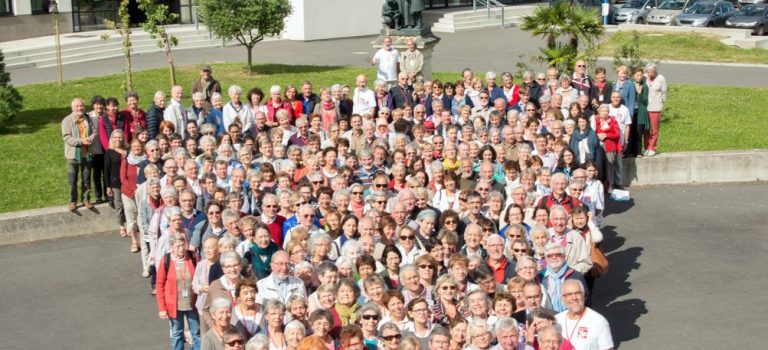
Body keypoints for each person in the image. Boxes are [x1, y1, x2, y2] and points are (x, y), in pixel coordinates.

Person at [156, 233, 201, 350]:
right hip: (174, 305)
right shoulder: (166, 260)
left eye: (183, 245)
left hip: (192, 303)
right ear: (171, 247)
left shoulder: (192, 257)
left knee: (196, 332)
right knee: (177, 333)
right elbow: (160, 285)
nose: (181, 249)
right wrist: (162, 308)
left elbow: (199, 276)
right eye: (178, 246)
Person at [554, 280, 614, 350]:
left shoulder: (599, 321)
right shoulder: (556, 321)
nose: (574, 298)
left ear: (584, 296)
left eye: (578, 293)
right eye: (569, 294)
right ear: (563, 299)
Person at [62, 98, 96, 211]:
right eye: (77, 106)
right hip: (72, 156)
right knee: (72, 180)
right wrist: (81, 141)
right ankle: (73, 201)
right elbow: (66, 137)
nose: (79, 108)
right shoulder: (67, 120)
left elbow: (94, 132)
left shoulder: (88, 118)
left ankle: (86, 199)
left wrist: (89, 139)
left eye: (81, 106)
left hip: (87, 154)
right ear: (72, 108)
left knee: (86, 179)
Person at [644, 64, 667, 157]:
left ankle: (652, 147)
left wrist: (661, 103)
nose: (650, 73)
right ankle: (647, 147)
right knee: (646, 129)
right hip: (645, 107)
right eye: (648, 71)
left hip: (655, 107)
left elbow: (664, 92)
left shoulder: (661, 78)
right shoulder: (644, 77)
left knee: (654, 129)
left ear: (655, 71)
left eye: (652, 71)